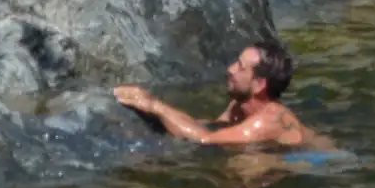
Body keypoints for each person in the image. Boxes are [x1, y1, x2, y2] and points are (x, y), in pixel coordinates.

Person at [113, 42, 318, 149]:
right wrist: (155, 114)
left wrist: (155, 106)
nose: (230, 69)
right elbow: (205, 128)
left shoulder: (268, 121)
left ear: (258, 85)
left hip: (318, 160)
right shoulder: (239, 106)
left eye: (240, 67)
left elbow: (205, 140)